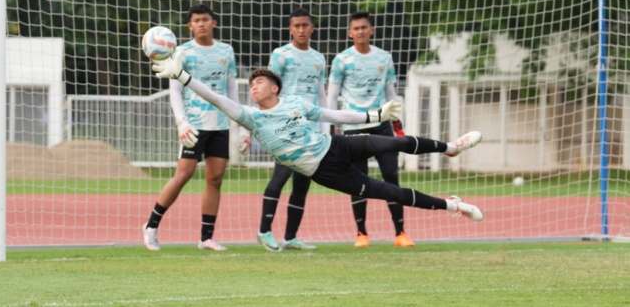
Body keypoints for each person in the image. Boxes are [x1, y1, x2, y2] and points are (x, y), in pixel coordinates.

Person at [151, 56, 485, 238]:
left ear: (274, 86)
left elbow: (333, 112)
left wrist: (374, 114)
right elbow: (219, 99)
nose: (253, 87)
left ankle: (450, 147)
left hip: (337, 146)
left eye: (259, 82)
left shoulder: (295, 102)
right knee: (392, 193)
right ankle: (453, 206)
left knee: (393, 142)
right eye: (250, 84)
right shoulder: (251, 117)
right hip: (324, 172)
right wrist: (183, 77)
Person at [142, 4, 251, 251]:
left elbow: (231, 89)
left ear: (214, 23)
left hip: (220, 125)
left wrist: (243, 126)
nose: (201, 24)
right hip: (193, 125)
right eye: (196, 20)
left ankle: (206, 238)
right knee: (183, 175)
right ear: (189, 26)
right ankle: (151, 226)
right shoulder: (181, 52)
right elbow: (175, 91)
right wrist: (181, 122)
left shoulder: (226, 51)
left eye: (205, 19)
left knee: (215, 179)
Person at [327, 11, 412, 248]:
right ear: (349, 33)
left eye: (364, 27)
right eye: (356, 28)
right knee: (358, 181)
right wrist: (331, 129)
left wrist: (398, 128)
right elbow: (332, 97)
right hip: (354, 128)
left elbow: (391, 94)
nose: (360, 32)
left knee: (391, 177)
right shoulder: (341, 60)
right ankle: (361, 234)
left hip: (382, 127)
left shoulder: (384, 58)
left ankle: (400, 233)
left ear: (371, 30)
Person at [256, 8, 327, 252]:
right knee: (281, 175)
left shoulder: (319, 58)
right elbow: (268, 88)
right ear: (290, 29)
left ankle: (290, 237)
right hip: (285, 127)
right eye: (296, 26)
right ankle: (264, 231)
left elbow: (321, 93)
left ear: (312, 28)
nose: (301, 30)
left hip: (310, 129)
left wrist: (325, 127)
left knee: (302, 183)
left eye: (305, 25)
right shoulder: (281, 55)